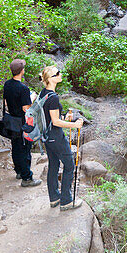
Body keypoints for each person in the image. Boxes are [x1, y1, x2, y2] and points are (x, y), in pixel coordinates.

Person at [39, 65, 84, 210]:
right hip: (56, 136)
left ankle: (54, 198)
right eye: (57, 74)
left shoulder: (43, 93)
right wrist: (75, 125)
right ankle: (66, 201)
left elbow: (51, 116)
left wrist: (66, 117)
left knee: (54, 164)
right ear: (51, 79)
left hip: (46, 136)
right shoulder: (53, 97)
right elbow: (56, 121)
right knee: (69, 165)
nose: (60, 75)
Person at [2, 59, 41, 188]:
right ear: (21, 71)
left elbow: (6, 103)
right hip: (22, 122)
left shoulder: (7, 84)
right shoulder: (23, 88)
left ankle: (19, 171)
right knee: (25, 149)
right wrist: (33, 97)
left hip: (12, 120)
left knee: (16, 147)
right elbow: (26, 108)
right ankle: (27, 178)